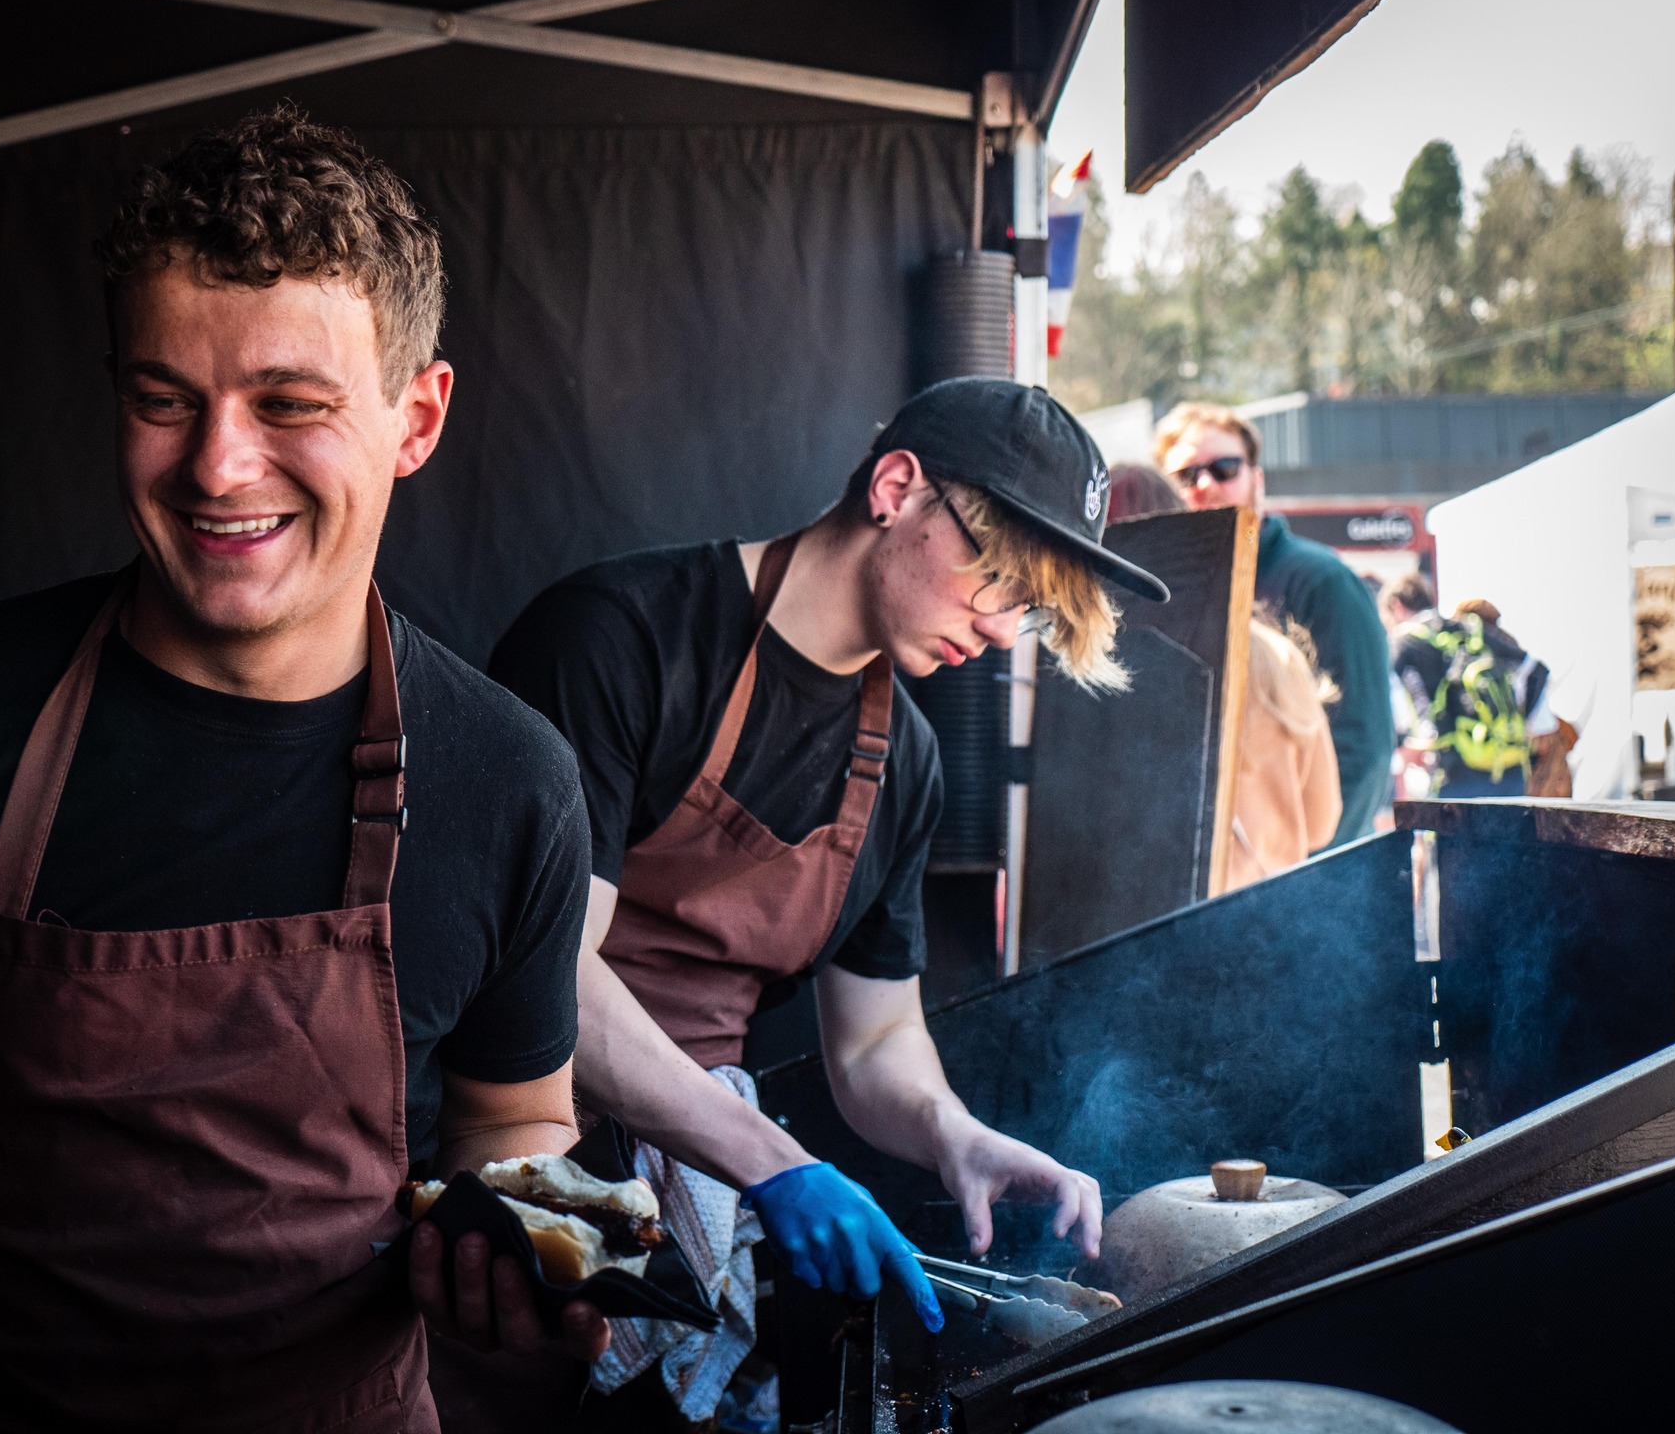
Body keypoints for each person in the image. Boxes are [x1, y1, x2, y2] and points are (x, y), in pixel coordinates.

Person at [0, 109, 605, 1432]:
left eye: (290, 404)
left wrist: (533, 1242)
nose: (219, 467)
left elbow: (515, 1115)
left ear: (417, 416)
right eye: (164, 399)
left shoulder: (511, 782)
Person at [489, 378, 1169, 1425]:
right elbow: (548, 979)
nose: (999, 631)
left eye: (1024, 608)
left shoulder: (906, 761)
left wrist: (956, 1136)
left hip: (693, 1200)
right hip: (509, 1175)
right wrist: (772, 1162)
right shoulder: (617, 640)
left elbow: (872, 1042)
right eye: (993, 575)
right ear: (896, 488)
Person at [1154, 402, 1393, 846]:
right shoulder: (1168, 593)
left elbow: (1365, 748)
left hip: (1298, 883)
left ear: (1257, 480)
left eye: (1225, 468)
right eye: (1185, 476)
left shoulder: (1323, 582)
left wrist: (1304, 874)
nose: (1205, 485)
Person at [1390, 590, 1557, 799]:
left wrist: (1423, 741)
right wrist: (1518, 726)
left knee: (1454, 831)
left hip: (1457, 774)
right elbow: (1537, 670)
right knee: (1508, 831)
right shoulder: (1469, 632)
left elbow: (1411, 709)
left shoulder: (1404, 642)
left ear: (1395, 607)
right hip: (1511, 771)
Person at [1222, 614, 1343, 891]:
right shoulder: (1278, 657)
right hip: (1270, 900)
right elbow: (1320, 823)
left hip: (1173, 908)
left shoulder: (1167, 645)